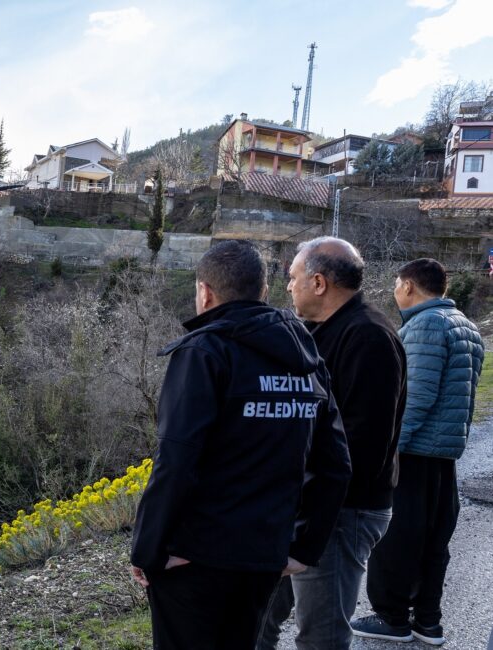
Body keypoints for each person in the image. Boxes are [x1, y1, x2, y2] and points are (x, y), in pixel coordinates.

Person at [130, 240, 351, 649]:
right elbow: (336, 464)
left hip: (195, 559)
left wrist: (147, 550)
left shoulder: (204, 352)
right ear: (263, 291)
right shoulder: (305, 357)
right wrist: (305, 547)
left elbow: (176, 460)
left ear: (205, 293)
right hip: (263, 555)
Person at [259, 237, 407, 649]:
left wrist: (314, 510)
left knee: (320, 637)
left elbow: (364, 447)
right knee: (257, 617)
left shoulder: (368, 337)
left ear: (319, 283)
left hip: (341, 513)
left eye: (293, 277)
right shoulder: (319, 331)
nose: (289, 286)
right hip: (304, 506)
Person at [352, 258, 484, 645]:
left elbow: (416, 397)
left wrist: (390, 449)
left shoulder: (427, 324)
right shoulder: (466, 325)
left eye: (397, 284)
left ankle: (392, 618)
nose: (395, 291)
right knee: (433, 540)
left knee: (397, 537)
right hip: (444, 452)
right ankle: (428, 620)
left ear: (409, 286)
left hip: (414, 452)